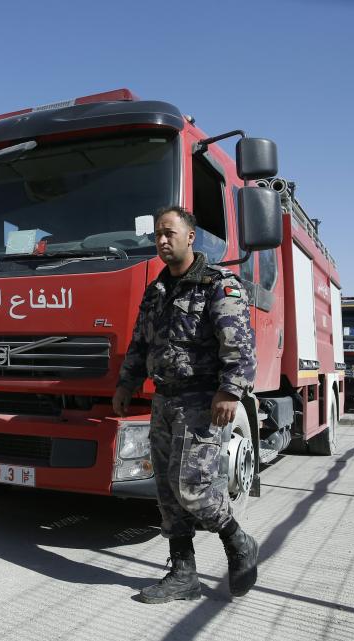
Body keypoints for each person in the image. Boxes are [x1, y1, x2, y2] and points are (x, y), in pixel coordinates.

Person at [113, 206, 258, 602]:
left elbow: (239, 344)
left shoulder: (218, 285)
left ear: (190, 237)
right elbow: (140, 343)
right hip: (164, 399)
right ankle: (183, 574)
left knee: (193, 488)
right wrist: (126, 383)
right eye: (157, 234)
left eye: (169, 233)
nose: (162, 240)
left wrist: (230, 391)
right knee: (166, 491)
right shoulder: (157, 291)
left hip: (202, 401)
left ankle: (237, 540)